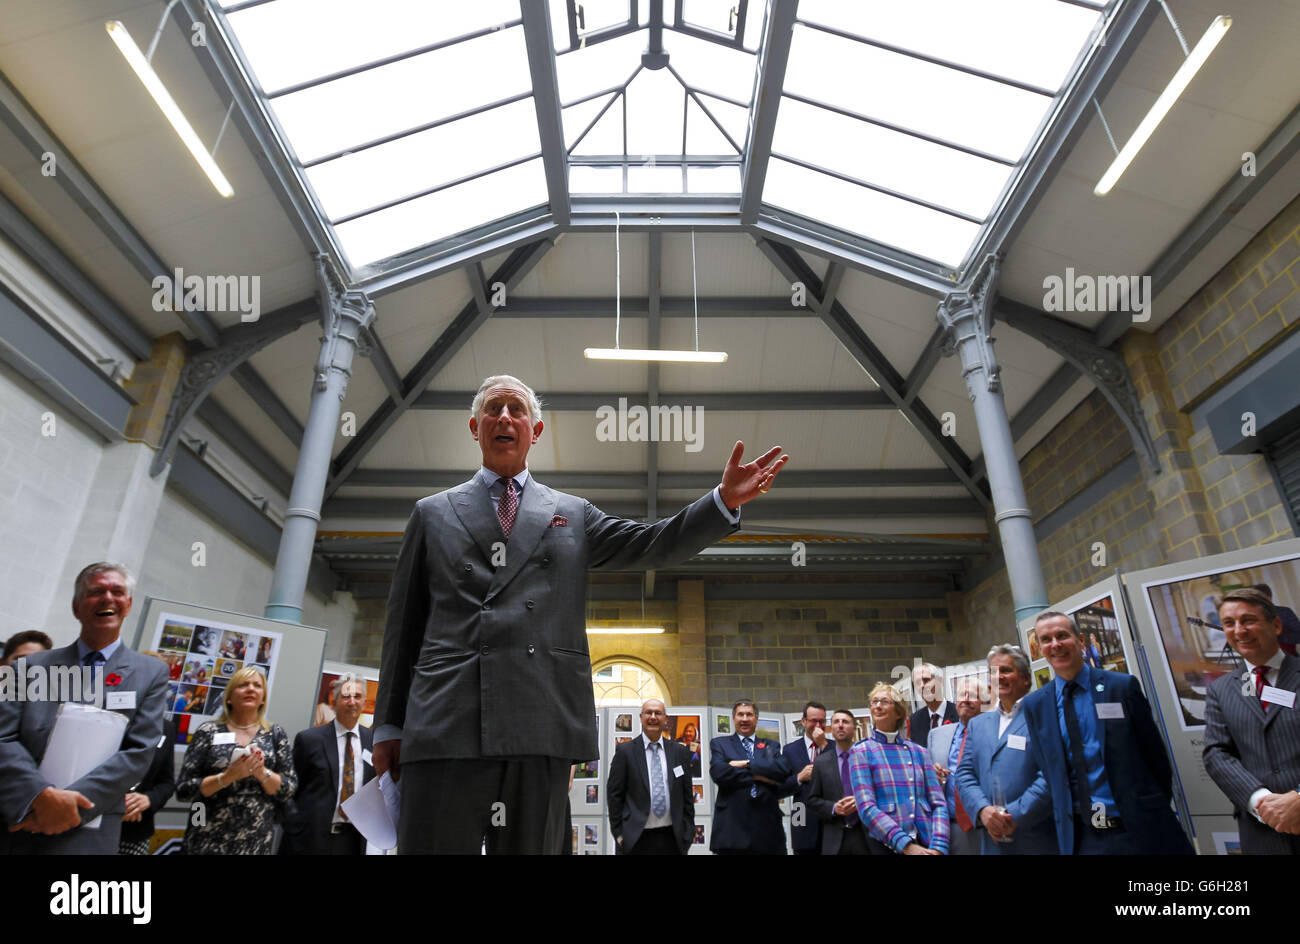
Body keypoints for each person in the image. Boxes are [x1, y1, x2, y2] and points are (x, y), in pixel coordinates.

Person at [374, 374, 787, 854]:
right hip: (447, 722)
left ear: (537, 430)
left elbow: (649, 543)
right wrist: (389, 725)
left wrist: (722, 503)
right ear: (474, 427)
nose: (504, 417)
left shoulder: (571, 513)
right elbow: (403, 629)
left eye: (516, 409)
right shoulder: (432, 513)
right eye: (493, 409)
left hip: (539, 722)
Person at [0, 562, 169, 854]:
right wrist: (40, 797)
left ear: (128, 605)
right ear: (76, 607)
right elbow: (4, 738)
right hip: (26, 819)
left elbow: (139, 752)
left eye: (117, 591)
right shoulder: (27, 668)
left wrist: (69, 807)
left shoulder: (151, 673)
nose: (107, 598)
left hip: (93, 828)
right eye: (96, 591)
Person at [1022, 611, 1193, 855]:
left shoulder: (1120, 687)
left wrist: (1147, 810)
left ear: (1080, 640)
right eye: (1046, 639)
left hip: (1140, 832)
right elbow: (1050, 772)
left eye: (1062, 636)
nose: (1055, 645)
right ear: (1039, 648)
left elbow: (1156, 759)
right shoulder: (1036, 705)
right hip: (1084, 840)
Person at [1203, 587, 1300, 853]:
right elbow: (1216, 754)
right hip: (1262, 834)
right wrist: (1262, 802)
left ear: (1276, 625)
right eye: (1229, 623)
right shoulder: (1220, 690)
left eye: (1248, 620)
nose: (1239, 631)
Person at [175, 666, 296, 854]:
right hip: (206, 839)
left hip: (255, 841)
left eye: (257, 685)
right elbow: (184, 790)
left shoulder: (275, 734)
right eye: (243, 685)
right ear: (229, 697)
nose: (251, 689)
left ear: (263, 698)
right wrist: (227, 777)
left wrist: (261, 773)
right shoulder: (208, 731)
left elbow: (288, 789)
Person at [954, 645, 1055, 855]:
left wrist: (1012, 815)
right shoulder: (978, 724)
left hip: (1035, 838)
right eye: (993, 672)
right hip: (991, 842)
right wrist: (983, 811)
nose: (998, 677)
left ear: (1026, 678)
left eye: (1006, 670)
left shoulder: (1045, 716)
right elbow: (964, 774)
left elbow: (1050, 774)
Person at [849, 682, 947, 855]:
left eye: (885, 701)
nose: (878, 706)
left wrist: (939, 845)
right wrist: (906, 846)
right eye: (874, 701)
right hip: (887, 846)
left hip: (927, 843)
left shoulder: (919, 752)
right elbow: (866, 807)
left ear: (899, 712)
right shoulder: (861, 752)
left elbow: (938, 803)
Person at [283, 673, 375, 855]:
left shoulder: (373, 741)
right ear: (334, 702)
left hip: (353, 841)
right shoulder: (309, 740)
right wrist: (295, 826)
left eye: (357, 696)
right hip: (310, 840)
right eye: (346, 696)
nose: (352, 702)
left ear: (364, 702)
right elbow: (290, 789)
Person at [607, 699, 695, 854]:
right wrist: (619, 835)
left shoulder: (679, 752)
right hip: (635, 839)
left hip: (672, 839)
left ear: (666, 719)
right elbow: (614, 796)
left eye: (658, 713)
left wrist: (688, 832)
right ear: (641, 717)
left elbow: (687, 796)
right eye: (648, 712)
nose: (653, 717)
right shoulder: (625, 752)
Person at [709, 699, 793, 854]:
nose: (745, 719)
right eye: (740, 714)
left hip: (768, 831)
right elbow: (719, 773)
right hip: (732, 830)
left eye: (749, 714)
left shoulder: (771, 745)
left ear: (756, 719)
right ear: (734, 718)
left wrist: (746, 764)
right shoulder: (720, 743)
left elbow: (782, 770)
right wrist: (762, 776)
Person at [119, 653, 178, 855]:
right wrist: (118, 802)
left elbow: (166, 783)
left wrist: (148, 800)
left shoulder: (167, 728)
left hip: (136, 829)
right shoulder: (109, 715)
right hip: (94, 822)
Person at [927, 679, 982, 855]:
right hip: (946, 826)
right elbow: (926, 782)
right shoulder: (936, 735)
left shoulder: (993, 732)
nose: (965, 699)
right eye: (961, 695)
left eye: (972, 696)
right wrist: (932, 774)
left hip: (983, 825)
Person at [807, 709, 869, 855]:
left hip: (866, 835)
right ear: (832, 729)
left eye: (845, 722)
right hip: (835, 839)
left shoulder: (868, 757)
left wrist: (860, 800)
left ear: (854, 729)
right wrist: (834, 807)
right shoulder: (821, 762)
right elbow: (812, 800)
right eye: (836, 722)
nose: (840, 725)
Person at [781, 700, 828, 855]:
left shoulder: (834, 748)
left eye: (822, 721)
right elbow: (780, 788)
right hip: (801, 819)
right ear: (803, 721)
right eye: (814, 721)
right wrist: (799, 778)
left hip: (830, 824)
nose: (818, 726)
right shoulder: (790, 750)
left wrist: (823, 744)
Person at [907, 663, 956, 748]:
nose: (922, 685)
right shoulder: (914, 721)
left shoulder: (959, 713)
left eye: (926, 680)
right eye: (918, 683)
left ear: (940, 681)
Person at [1253, 583, 1300, 656]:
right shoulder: (1252, 617)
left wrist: (1277, 637)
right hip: (1263, 660)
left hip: (1289, 657)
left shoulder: (1285, 612)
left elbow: (1298, 636)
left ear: (1270, 597)